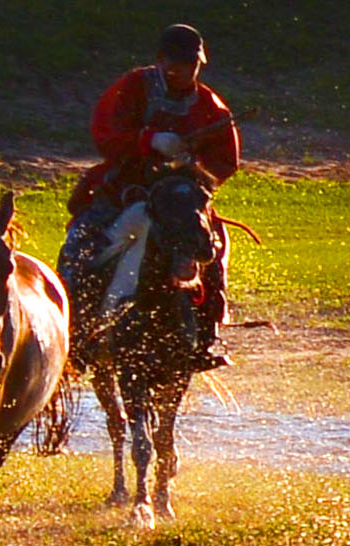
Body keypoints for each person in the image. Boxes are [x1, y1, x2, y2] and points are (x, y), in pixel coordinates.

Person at [64, 23, 243, 371]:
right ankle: (74, 333)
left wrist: (191, 168)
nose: (185, 71)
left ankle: (204, 338)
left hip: (180, 198)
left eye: (192, 64)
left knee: (214, 252)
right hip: (124, 188)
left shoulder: (210, 105)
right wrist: (148, 142)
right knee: (79, 246)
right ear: (160, 61)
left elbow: (225, 162)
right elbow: (105, 136)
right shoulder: (132, 89)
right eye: (178, 63)